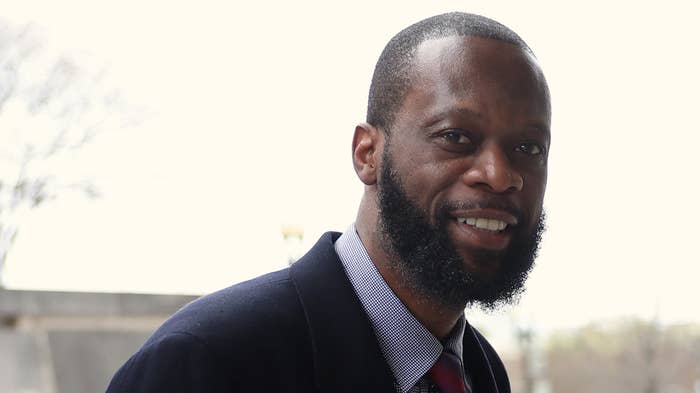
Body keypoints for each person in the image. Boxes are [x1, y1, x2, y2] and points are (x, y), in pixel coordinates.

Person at [107, 11, 550, 393]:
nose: (499, 175)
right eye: (455, 137)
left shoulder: (481, 370)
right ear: (367, 154)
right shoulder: (206, 362)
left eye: (528, 148)